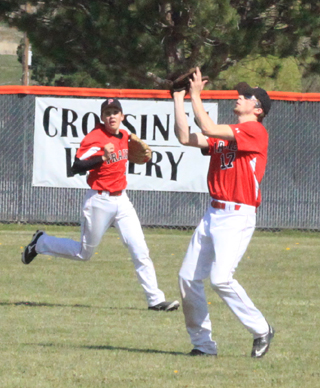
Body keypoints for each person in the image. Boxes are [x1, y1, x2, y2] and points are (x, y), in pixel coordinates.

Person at [22, 98, 180, 312]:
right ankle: (41, 243)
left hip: (122, 200)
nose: (112, 116)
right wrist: (101, 157)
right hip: (99, 200)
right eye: (107, 112)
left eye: (116, 111)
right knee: (83, 253)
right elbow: (76, 165)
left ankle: (155, 300)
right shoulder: (94, 138)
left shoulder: (125, 136)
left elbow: (131, 155)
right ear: (102, 117)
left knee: (139, 248)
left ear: (122, 116)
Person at [173, 67, 274, 357]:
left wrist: (196, 96)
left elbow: (208, 127)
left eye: (247, 96)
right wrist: (179, 99)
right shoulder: (228, 135)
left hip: (238, 214)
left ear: (257, 109)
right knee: (187, 278)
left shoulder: (255, 131)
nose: (240, 97)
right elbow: (185, 137)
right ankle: (203, 346)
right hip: (213, 212)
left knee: (220, 278)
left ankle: (261, 329)